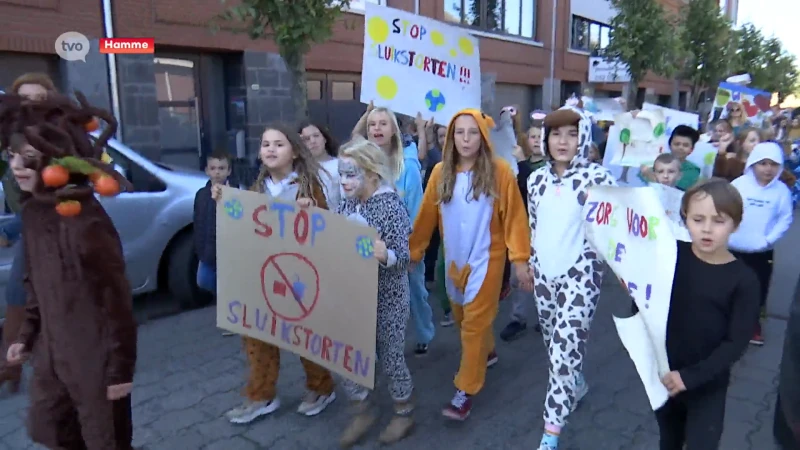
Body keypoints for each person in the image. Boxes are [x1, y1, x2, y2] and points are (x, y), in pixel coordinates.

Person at [2, 91, 137, 449]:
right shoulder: (32, 213)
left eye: (28, 159)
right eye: (11, 156)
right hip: (52, 356)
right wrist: (26, 335)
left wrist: (120, 369)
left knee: (103, 438)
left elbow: (117, 300)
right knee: (53, 429)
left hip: (94, 359)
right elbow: (36, 283)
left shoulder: (87, 221)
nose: (16, 166)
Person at [409, 108, 533, 420]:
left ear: (482, 135)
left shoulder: (500, 171)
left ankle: (465, 389)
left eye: (473, 132)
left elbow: (516, 219)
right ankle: (487, 351)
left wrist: (520, 260)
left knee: (474, 325)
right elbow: (425, 216)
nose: (466, 139)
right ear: (451, 137)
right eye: (459, 132)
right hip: (453, 262)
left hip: (487, 260)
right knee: (465, 318)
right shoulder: (440, 172)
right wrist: (414, 252)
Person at [215, 124, 336, 423]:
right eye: (266, 144)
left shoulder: (309, 186)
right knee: (256, 337)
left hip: (300, 278)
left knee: (305, 337)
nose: (270, 149)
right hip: (264, 275)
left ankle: (321, 388)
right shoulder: (256, 189)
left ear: (294, 152)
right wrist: (224, 203)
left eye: (278, 144)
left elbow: (328, 229)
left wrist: (313, 212)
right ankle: (261, 395)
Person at [526, 106, 617, 450]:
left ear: (584, 138)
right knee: (554, 343)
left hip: (582, 275)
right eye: (556, 134)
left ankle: (550, 434)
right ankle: (574, 385)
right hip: (545, 275)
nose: (563, 141)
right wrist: (532, 264)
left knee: (564, 350)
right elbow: (535, 226)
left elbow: (616, 228)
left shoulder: (600, 178)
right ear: (546, 139)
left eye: (572, 133)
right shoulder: (536, 180)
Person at [653, 179, 760, 449]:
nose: (707, 229)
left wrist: (690, 377)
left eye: (719, 220)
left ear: (735, 224)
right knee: (669, 439)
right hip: (666, 375)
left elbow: (736, 343)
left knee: (703, 442)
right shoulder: (671, 256)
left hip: (707, 382)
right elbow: (649, 302)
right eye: (698, 219)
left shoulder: (744, 280)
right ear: (685, 218)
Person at [336, 138, 415, 447]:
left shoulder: (391, 206)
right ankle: (362, 410)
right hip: (355, 295)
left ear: (371, 174)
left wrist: (386, 255)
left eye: (351, 174)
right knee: (348, 354)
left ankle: (403, 412)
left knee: (392, 356)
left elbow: (405, 259)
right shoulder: (347, 201)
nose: (344, 181)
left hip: (389, 297)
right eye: (341, 174)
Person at [352, 102, 434, 356]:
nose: (376, 128)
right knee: (373, 295)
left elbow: (418, 212)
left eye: (382, 123)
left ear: (394, 131)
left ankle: (423, 333)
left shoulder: (407, 167)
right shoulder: (361, 164)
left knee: (415, 292)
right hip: (371, 244)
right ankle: (377, 344)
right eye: (372, 124)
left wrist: (412, 252)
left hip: (404, 244)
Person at [0, 72, 57, 394]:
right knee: (17, 290)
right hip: (30, 222)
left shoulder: (61, 138)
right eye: (25, 99)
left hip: (58, 224)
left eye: (38, 99)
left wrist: (11, 228)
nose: (31, 105)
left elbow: (58, 195)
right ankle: (12, 365)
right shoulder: (12, 137)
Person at [729, 142, 793, 346]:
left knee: (757, 288)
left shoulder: (781, 192)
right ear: (753, 163)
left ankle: (752, 325)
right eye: (763, 163)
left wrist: (767, 240)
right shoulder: (739, 184)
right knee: (728, 284)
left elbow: (785, 219)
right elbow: (726, 208)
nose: (768, 169)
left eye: (773, 164)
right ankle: (725, 321)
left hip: (761, 252)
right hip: (732, 247)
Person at [501, 123, 547, 341]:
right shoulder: (520, 163)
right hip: (522, 228)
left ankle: (547, 317)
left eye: (541, 136)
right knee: (518, 275)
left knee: (544, 275)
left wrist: (520, 162)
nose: (536, 140)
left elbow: (535, 187)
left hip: (544, 230)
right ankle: (518, 317)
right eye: (533, 136)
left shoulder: (549, 167)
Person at [640, 125, 701, 191]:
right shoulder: (655, 161)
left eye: (685, 145)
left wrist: (650, 175)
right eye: (677, 144)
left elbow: (672, 188)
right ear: (669, 145)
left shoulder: (693, 170)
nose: (680, 147)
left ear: (691, 149)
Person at [299, 121, 341, 209]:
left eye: (316, 136)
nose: (313, 141)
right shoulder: (300, 168)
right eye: (306, 139)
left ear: (324, 139)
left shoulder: (339, 164)